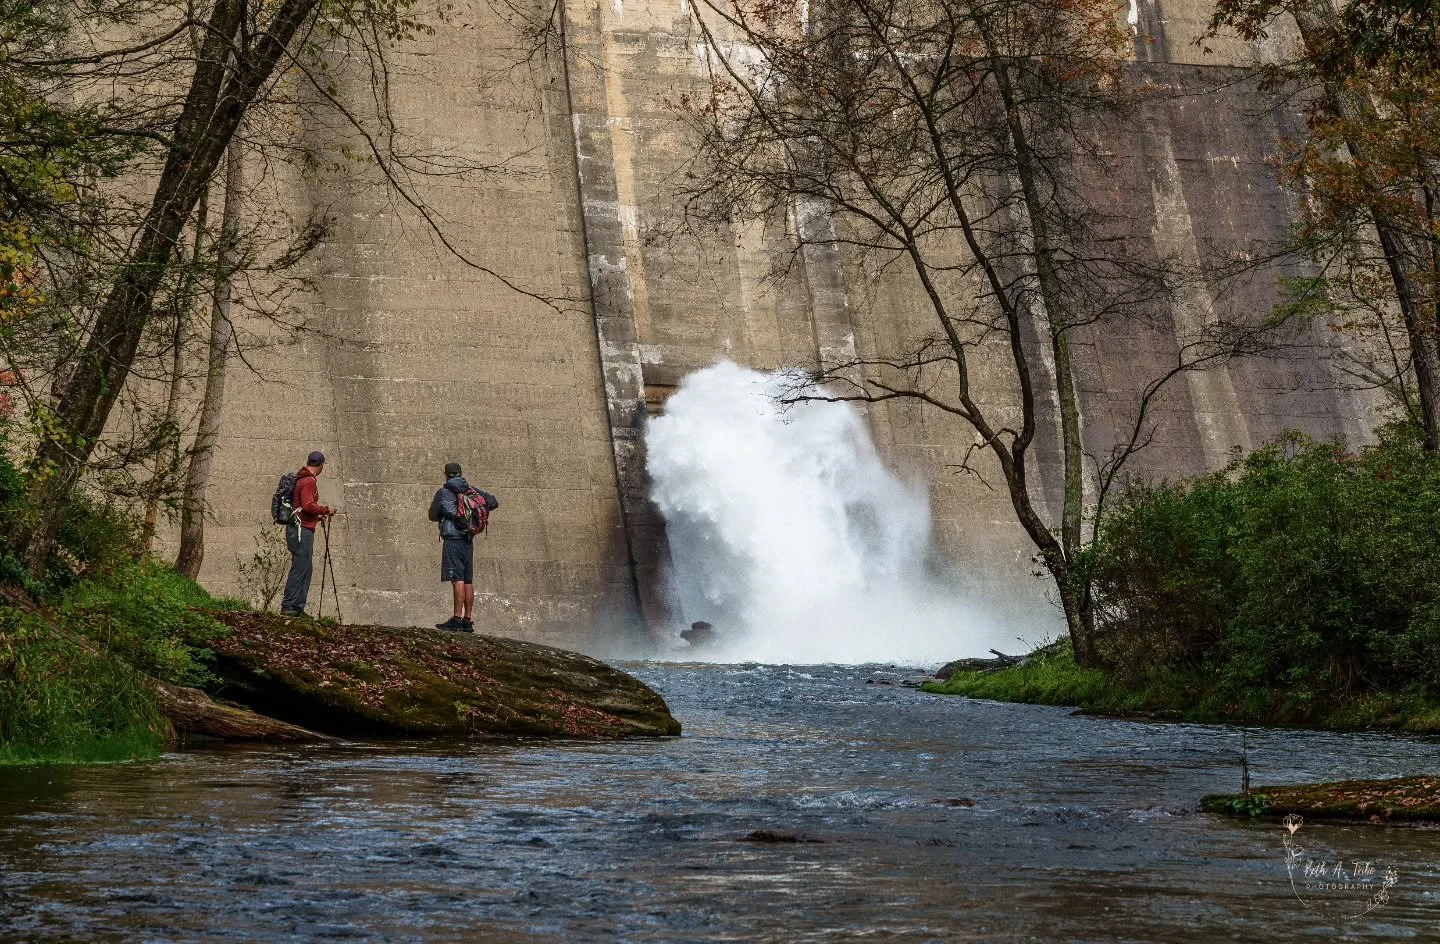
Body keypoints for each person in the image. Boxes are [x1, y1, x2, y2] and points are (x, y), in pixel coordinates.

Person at [428, 462, 498, 632]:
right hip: (468, 539)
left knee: (456, 579)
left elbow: (433, 515)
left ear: (446, 474)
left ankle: (456, 619)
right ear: (460, 474)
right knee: (467, 580)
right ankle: (468, 620)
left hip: (453, 539)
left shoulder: (444, 492)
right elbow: (493, 502)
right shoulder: (471, 490)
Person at [280, 451, 335, 617]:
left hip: (299, 527)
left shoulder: (302, 479)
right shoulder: (309, 481)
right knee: (300, 568)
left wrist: (317, 516)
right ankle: (289, 607)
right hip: (301, 530)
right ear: (321, 465)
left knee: (306, 568)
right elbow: (308, 505)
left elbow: (302, 507)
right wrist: (327, 509)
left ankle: (297, 607)